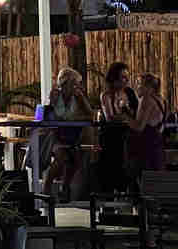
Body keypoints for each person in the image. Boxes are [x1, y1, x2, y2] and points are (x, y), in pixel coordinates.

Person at [41, 66, 94, 201]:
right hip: (55, 134)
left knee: (75, 160)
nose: (77, 87)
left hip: (71, 134)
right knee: (61, 157)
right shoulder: (55, 95)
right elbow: (49, 114)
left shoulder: (78, 98)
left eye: (78, 84)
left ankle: (65, 188)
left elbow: (90, 115)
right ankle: (47, 185)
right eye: (74, 83)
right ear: (65, 83)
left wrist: (81, 99)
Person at [97, 61, 136, 193]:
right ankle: (108, 206)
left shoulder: (130, 93)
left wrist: (126, 113)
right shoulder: (107, 95)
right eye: (123, 78)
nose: (126, 81)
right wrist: (125, 115)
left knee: (127, 171)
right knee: (111, 171)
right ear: (113, 79)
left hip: (128, 136)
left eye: (127, 77)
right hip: (111, 137)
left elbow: (137, 113)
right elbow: (110, 117)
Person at [125, 72, 167, 186]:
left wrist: (124, 115)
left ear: (149, 87)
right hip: (157, 144)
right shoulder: (161, 100)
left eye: (139, 84)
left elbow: (139, 127)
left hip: (145, 146)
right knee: (156, 183)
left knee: (144, 183)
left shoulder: (146, 100)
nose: (136, 87)